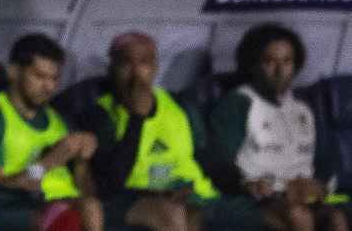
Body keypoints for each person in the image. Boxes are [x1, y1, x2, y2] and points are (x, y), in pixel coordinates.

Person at [82, 32, 260, 231]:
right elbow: (111, 182)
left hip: (196, 194)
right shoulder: (99, 114)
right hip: (140, 198)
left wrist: (245, 182)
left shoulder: (180, 105)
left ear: (155, 68)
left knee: (277, 214)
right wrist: (136, 119)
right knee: (176, 213)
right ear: (112, 69)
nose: (136, 73)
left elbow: (204, 156)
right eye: (125, 64)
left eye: (144, 63)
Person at [208, 24, 349, 231]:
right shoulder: (238, 103)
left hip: (302, 194)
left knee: (336, 219)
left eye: (287, 61)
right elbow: (219, 161)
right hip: (258, 198)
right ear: (254, 65)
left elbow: (326, 160)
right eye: (269, 62)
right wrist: (250, 185)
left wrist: (319, 184)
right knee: (298, 216)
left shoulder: (303, 107)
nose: (280, 70)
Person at [0, 34, 103, 231]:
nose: (49, 87)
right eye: (39, 76)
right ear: (14, 72)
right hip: (26, 206)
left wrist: (82, 160)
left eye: (54, 78)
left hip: (70, 204)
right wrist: (49, 162)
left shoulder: (58, 120)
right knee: (80, 212)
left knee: (91, 206)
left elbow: (86, 192)